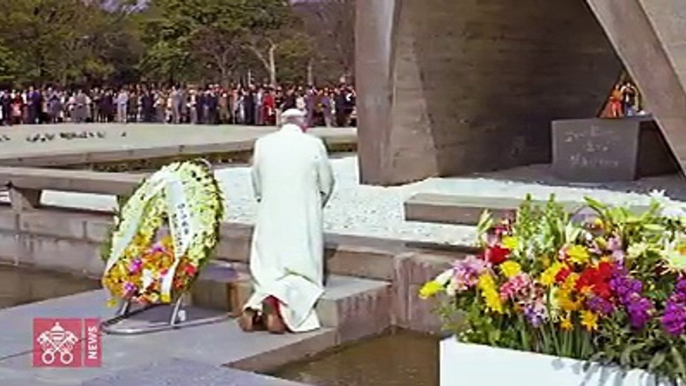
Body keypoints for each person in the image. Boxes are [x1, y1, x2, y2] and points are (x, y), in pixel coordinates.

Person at [240, 108, 335, 334]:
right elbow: (327, 182)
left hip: (271, 213)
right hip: (302, 211)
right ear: (303, 124)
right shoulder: (313, 144)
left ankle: (259, 301)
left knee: (270, 268)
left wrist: (264, 200)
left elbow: (257, 181)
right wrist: (317, 204)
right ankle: (281, 304)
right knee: (301, 273)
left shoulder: (263, 144)